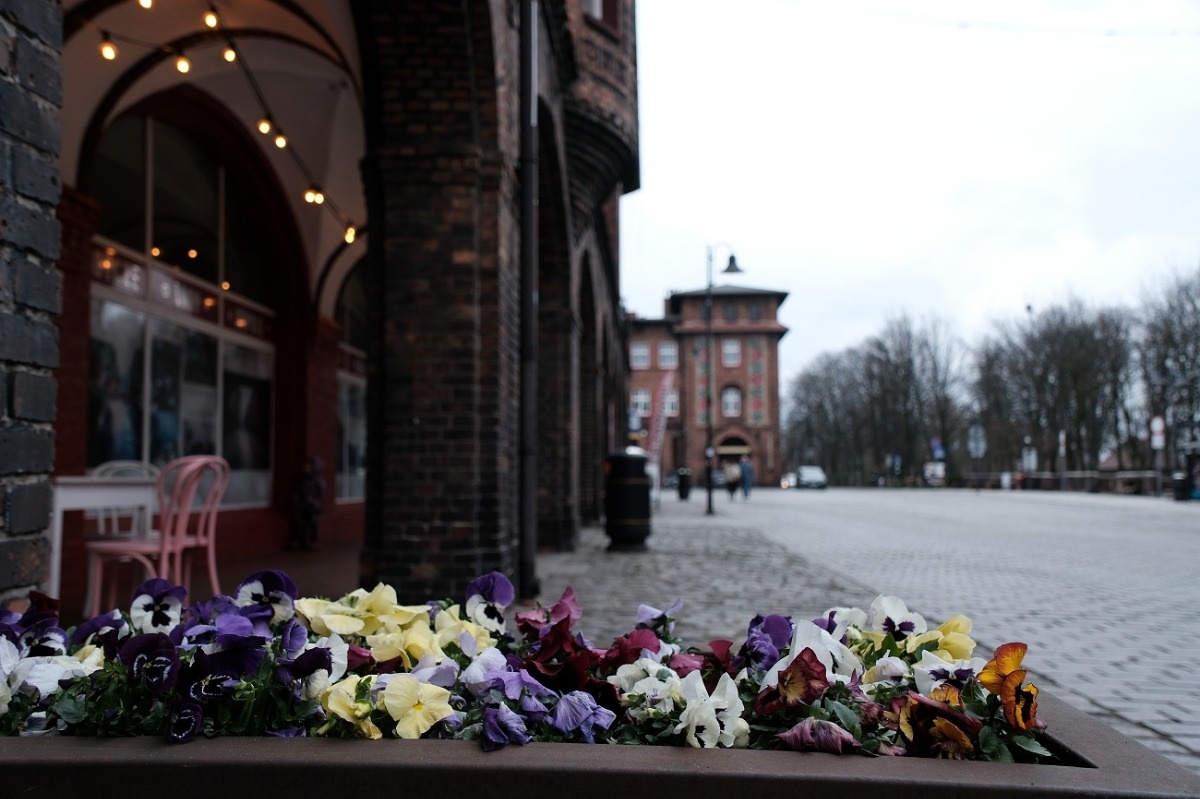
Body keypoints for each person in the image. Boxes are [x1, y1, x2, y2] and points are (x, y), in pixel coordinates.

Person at [288, 455, 326, 551]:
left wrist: (315, 503)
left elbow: (321, 495)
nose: (306, 469)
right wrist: (296, 499)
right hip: (303, 505)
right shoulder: (303, 480)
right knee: (299, 522)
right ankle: (297, 540)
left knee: (313, 523)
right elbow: (299, 491)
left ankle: (314, 541)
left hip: (313, 506)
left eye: (309, 467)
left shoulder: (319, 481)